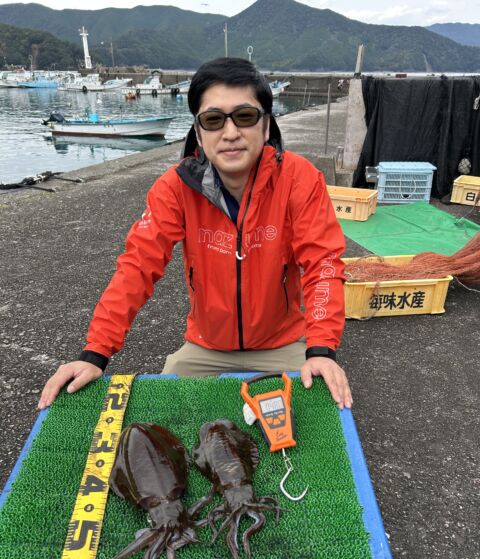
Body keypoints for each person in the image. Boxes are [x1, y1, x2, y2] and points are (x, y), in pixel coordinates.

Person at [39, 58, 352, 411]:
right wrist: (95, 353)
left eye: (245, 116)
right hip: (206, 347)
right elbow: (137, 267)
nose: (230, 133)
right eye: (213, 120)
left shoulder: (299, 178)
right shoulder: (174, 188)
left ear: (266, 126)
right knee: (166, 414)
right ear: (199, 132)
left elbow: (323, 263)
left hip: (283, 343)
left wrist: (321, 349)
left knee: (320, 409)